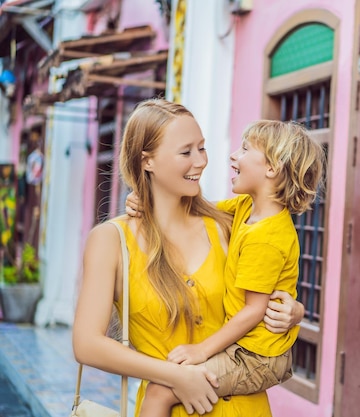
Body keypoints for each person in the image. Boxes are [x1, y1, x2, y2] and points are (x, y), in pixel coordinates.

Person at [73, 98, 303, 417]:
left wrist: (292, 309)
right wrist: (176, 376)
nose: (201, 161)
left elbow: (266, 281)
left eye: (202, 148)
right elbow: (87, 344)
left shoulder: (228, 226)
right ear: (147, 161)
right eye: (186, 152)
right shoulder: (112, 240)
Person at [128, 119, 325, 417]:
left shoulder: (266, 238)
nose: (233, 155)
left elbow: (253, 310)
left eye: (245, 149)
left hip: (256, 356)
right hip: (246, 346)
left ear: (271, 168)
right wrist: (148, 201)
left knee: (161, 390)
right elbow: (197, 210)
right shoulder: (246, 208)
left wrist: (201, 350)